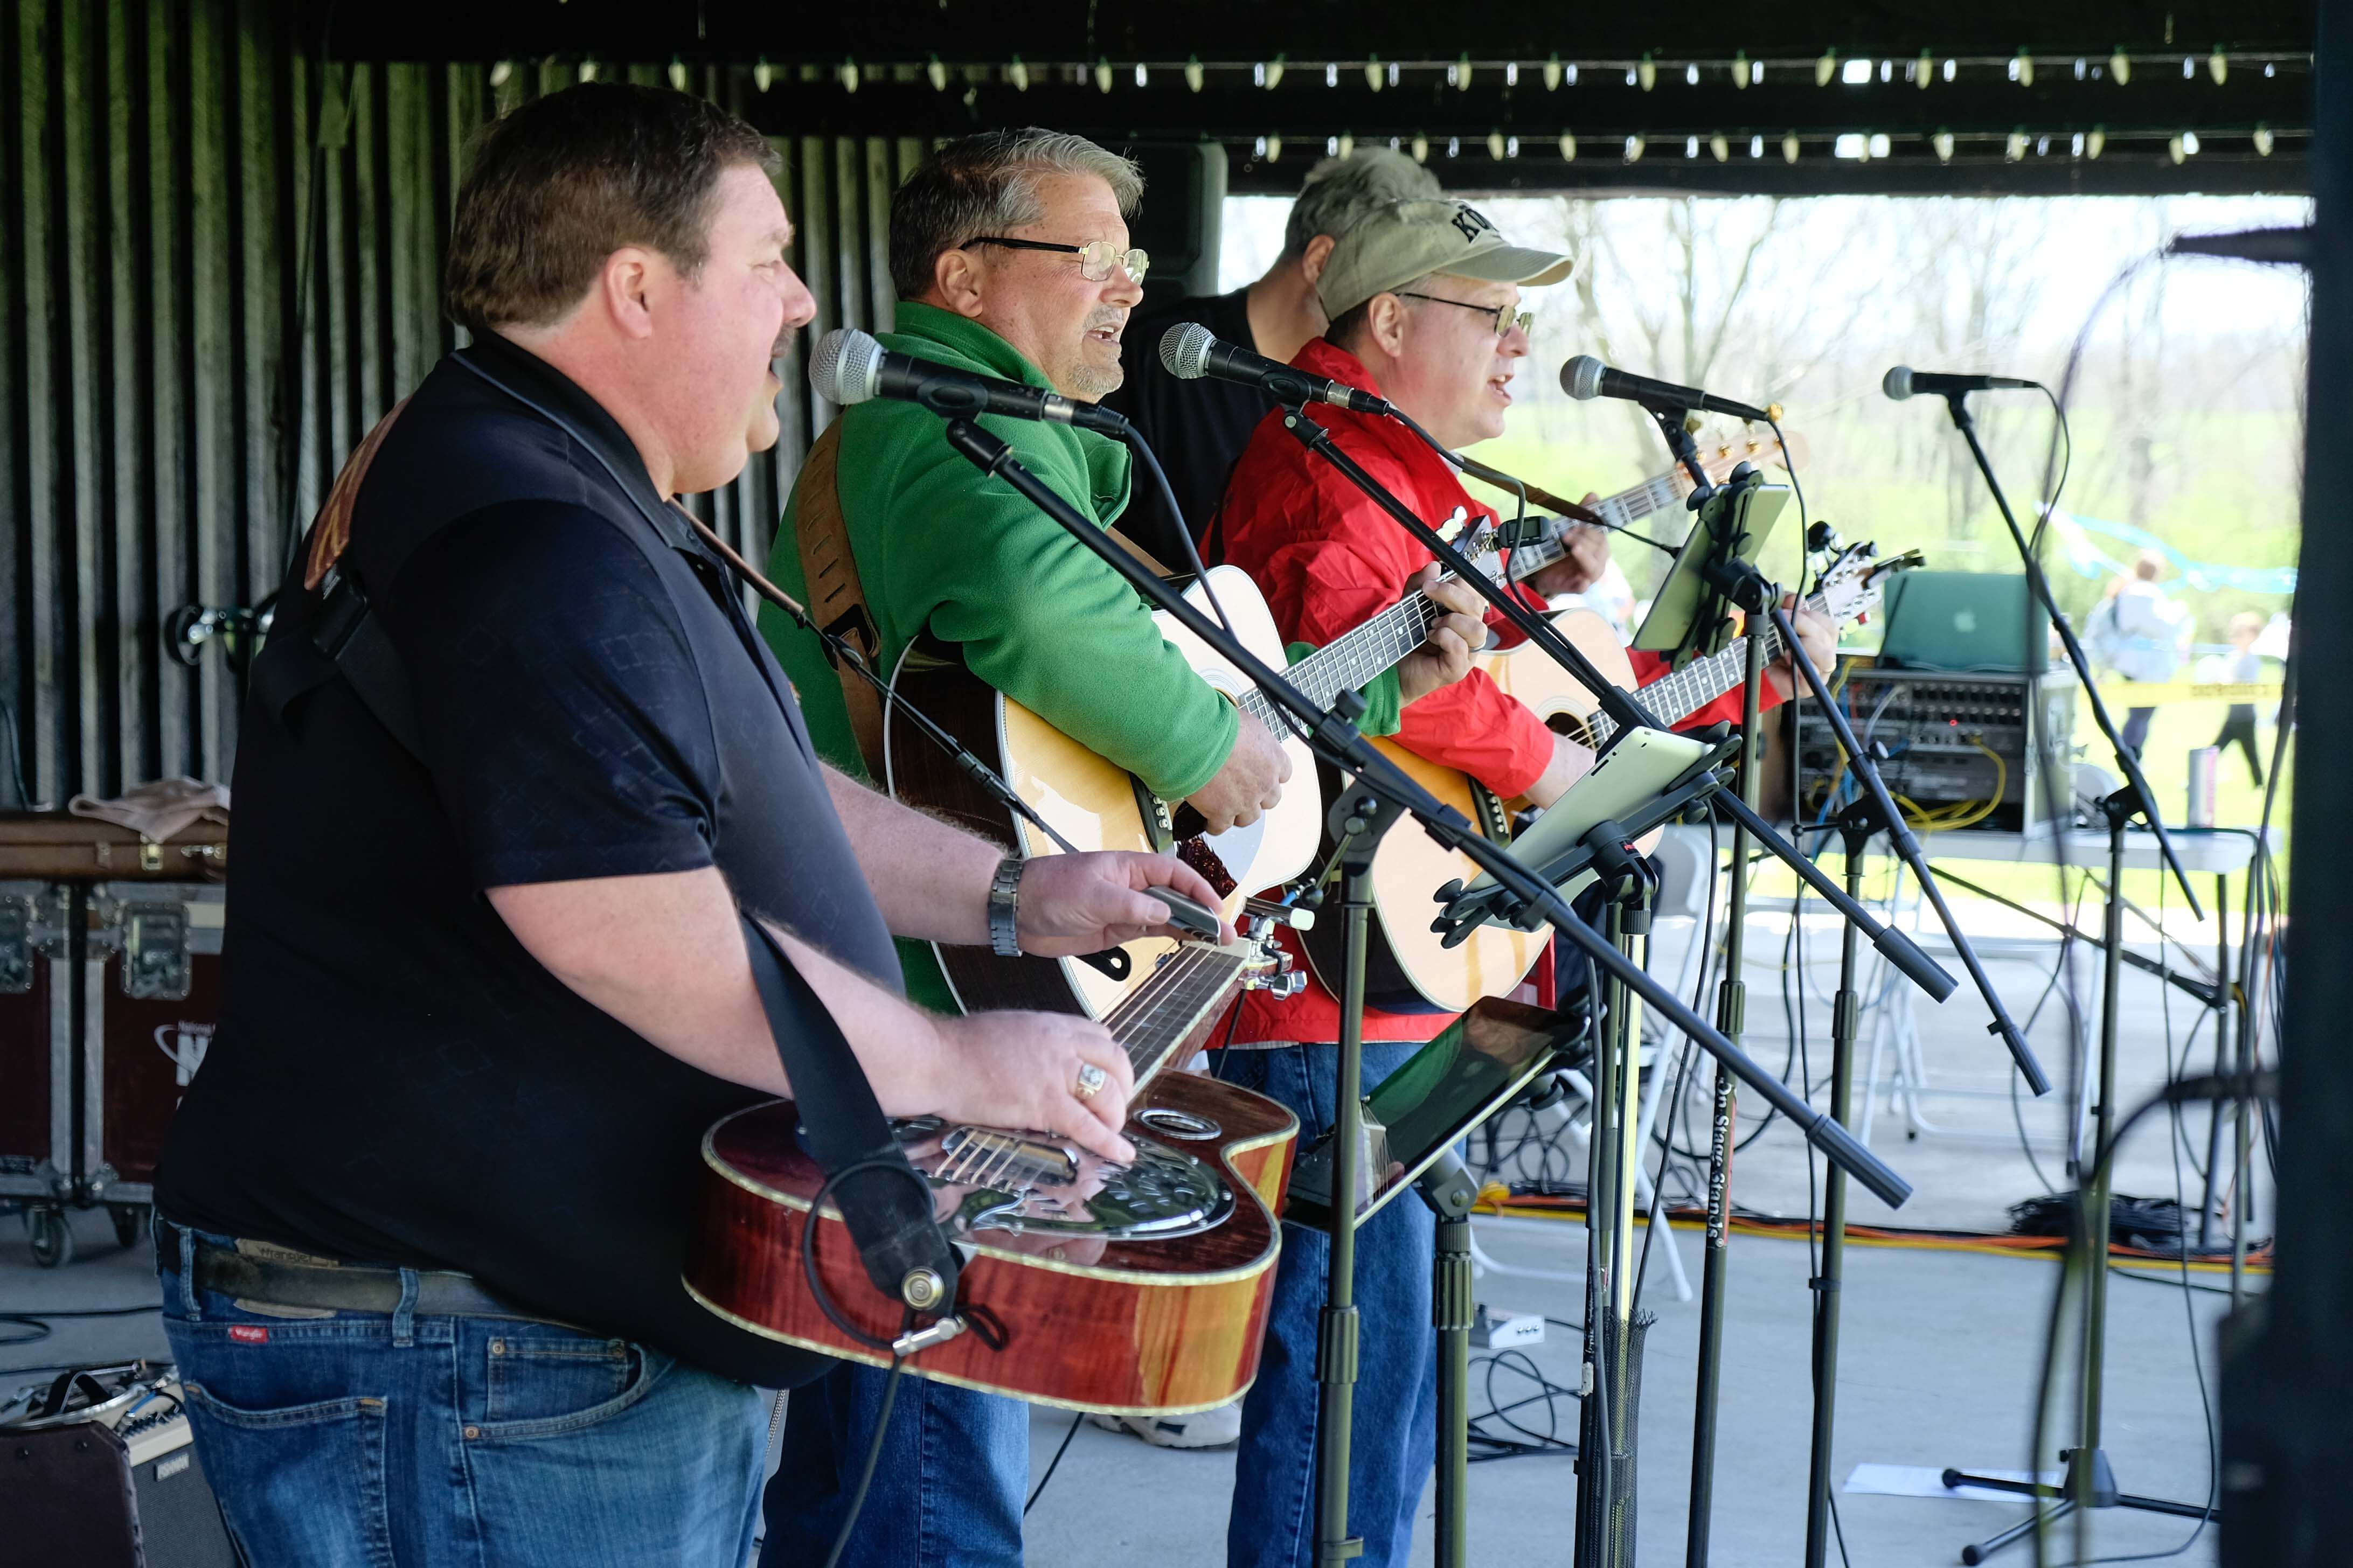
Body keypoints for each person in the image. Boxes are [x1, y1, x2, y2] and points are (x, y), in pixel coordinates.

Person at [148, 84, 1232, 1568]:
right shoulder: (525, 537)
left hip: (514, 1340)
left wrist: (1009, 894)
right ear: (637, 288)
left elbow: (738, 795)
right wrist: (951, 1058)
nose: (802, 299)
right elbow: (611, 915)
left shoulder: (555, 482)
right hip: (471, 1359)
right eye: (769, 256)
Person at [754, 129, 1490, 1568]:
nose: (1128, 294)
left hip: (934, 971)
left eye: (1133, 262)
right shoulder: (950, 428)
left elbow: (1101, 685)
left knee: (875, 1431)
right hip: (936, 990)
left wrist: (1376, 686)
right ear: (963, 275)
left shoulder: (1013, 436)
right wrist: (1208, 750)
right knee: (936, 1443)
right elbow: (1039, 621)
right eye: (1089, 258)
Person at [1206, 197, 1836, 1568]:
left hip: (1396, 972)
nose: (1516, 343)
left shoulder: (1400, 469)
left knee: (1383, 1367)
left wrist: (1553, 609)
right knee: (1347, 1369)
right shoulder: (1331, 467)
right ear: (1386, 321)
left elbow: (1455, 657)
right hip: (1331, 983)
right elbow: (1357, 682)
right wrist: (1549, 772)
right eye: (1488, 314)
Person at [1105, 148, 1442, 568]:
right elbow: (1077, 516)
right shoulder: (1155, 357)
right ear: (1322, 262)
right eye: (1391, 280)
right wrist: (1191, 610)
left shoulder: (1359, 398)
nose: (1399, 308)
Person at [2086, 549, 2190, 756]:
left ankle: (2131, 755)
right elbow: (2161, 627)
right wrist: (2180, 612)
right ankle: (2130, 757)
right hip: (2144, 667)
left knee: (2138, 713)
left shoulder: (2129, 590)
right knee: (2141, 715)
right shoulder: (2144, 593)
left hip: (2132, 663)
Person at [2213, 610, 2268, 784]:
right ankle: (2197, 779)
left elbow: (2244, 685)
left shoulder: (2252, 660)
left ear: (2252, 635)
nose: (2235, 636)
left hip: (2245, 716)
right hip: (2233, 715)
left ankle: (2260, 785)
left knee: (2250, 754)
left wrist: (2227, 685)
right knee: (2214, 751)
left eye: (2240, 633)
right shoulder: (2233, 657)